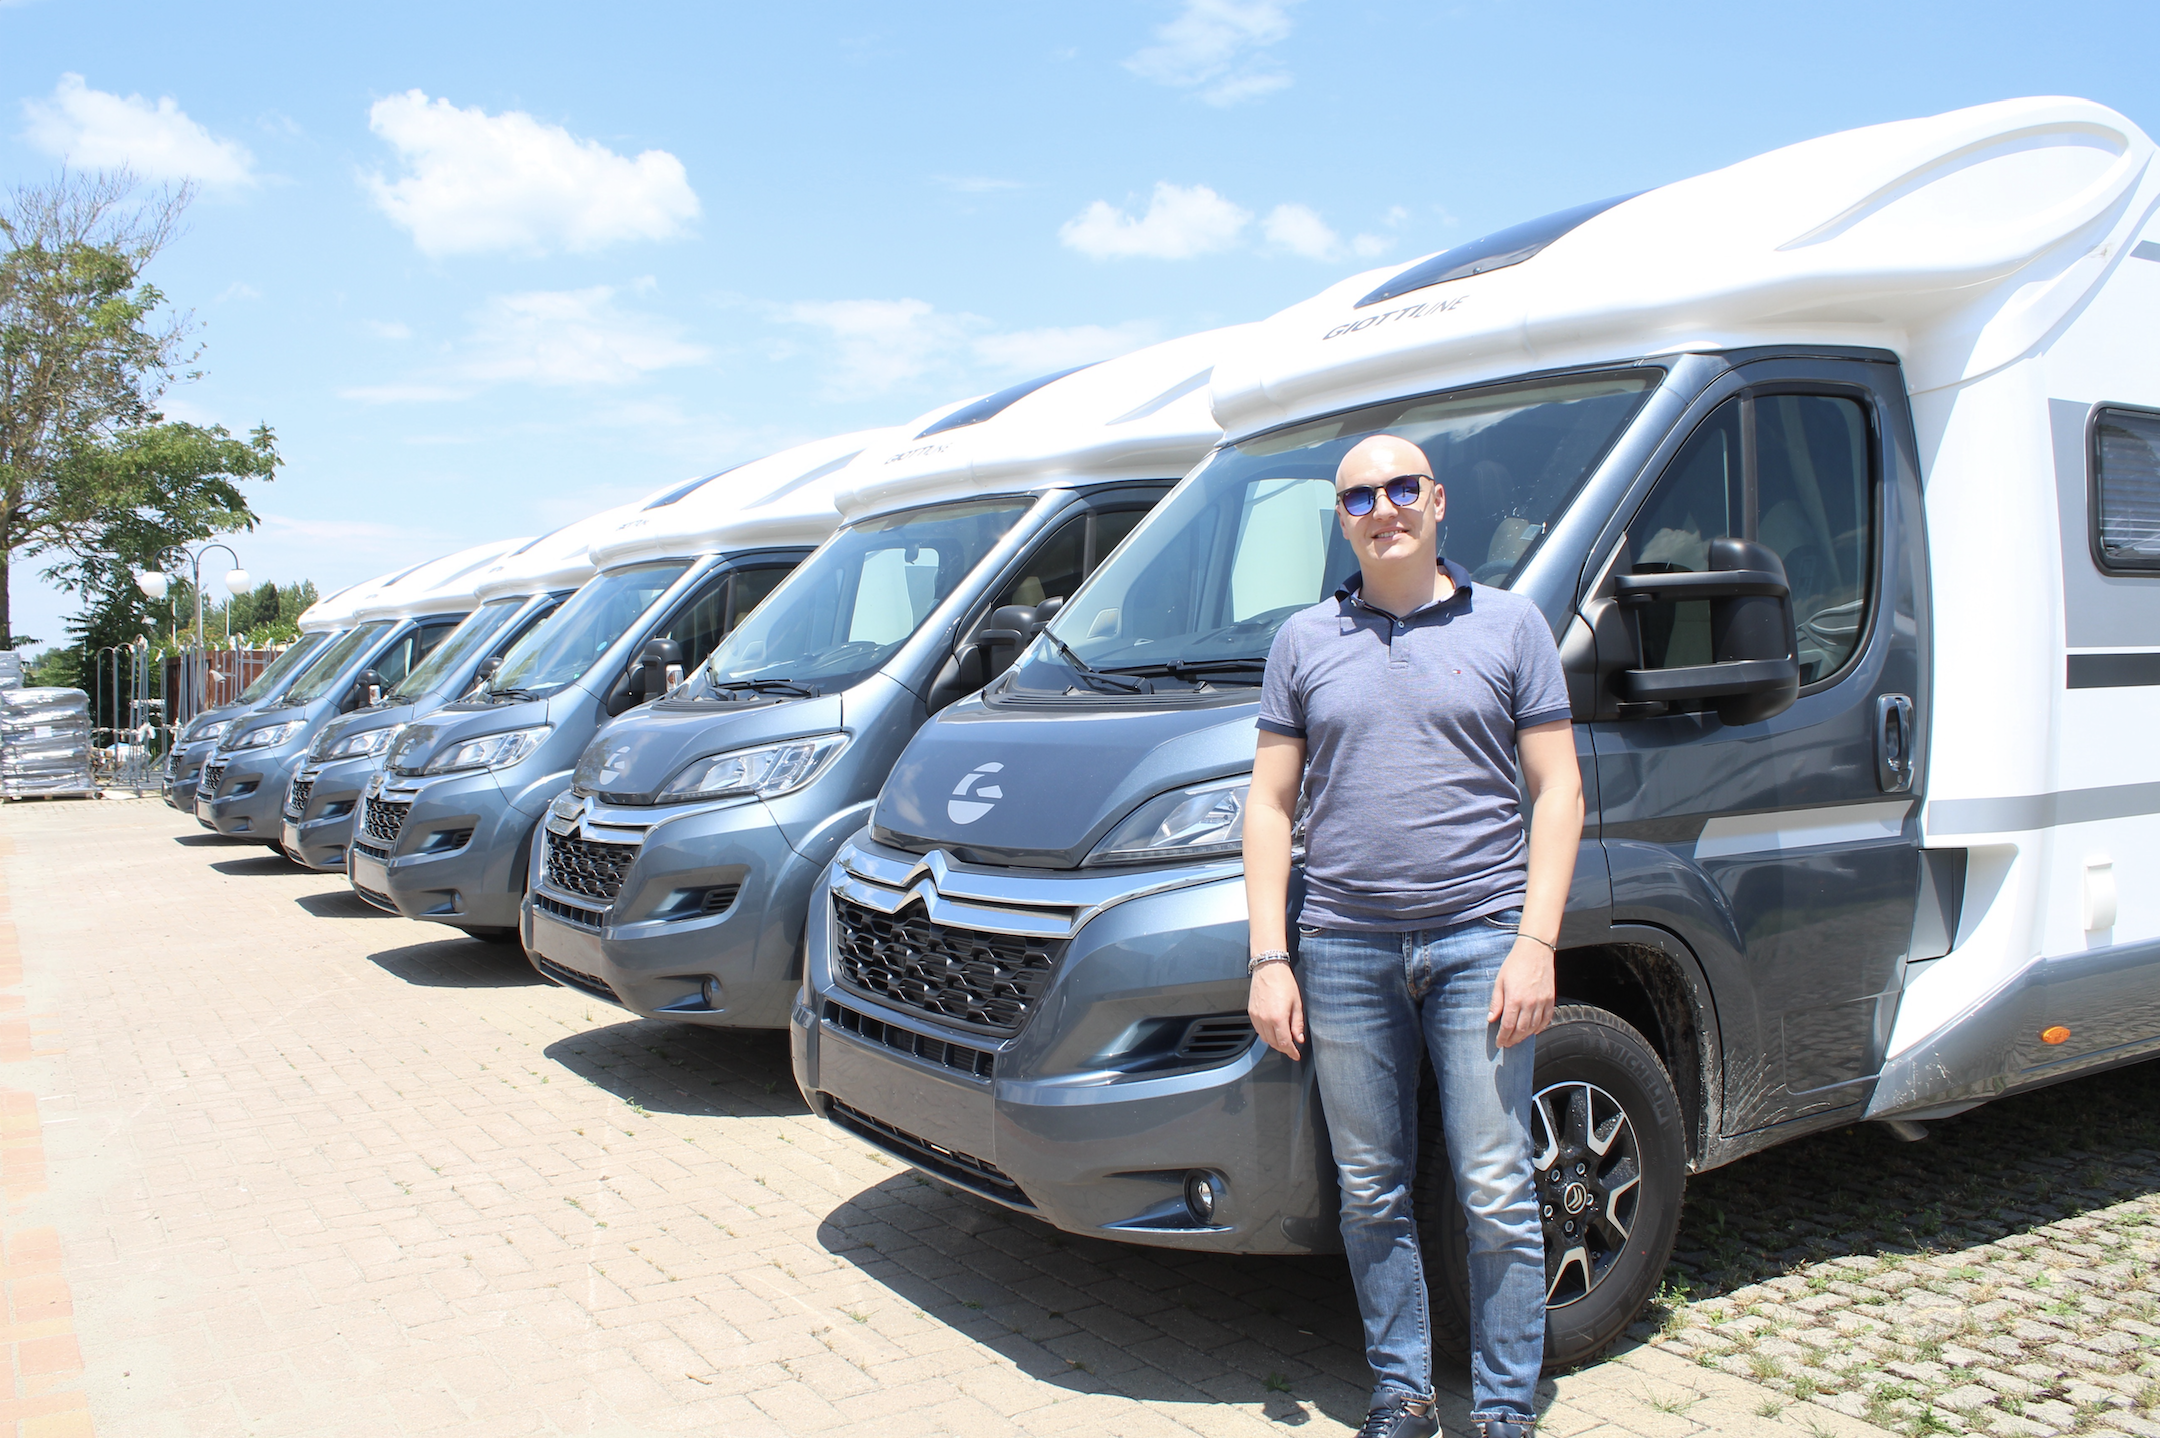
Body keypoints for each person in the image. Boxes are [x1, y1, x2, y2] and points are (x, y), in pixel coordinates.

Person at [1244, 434, 1584, 1438]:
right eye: (1359, 496)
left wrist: (1536, 942)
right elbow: (1269, 805)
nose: (1382, 508)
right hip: (1343, 945)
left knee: (1495, 1185)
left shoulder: (1512, 624)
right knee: (1370, 1190)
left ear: (1437, 501)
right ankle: (1403, 1392)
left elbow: (1558, 789)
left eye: (1401, 488)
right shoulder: (1303, 641)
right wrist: (1269, 958)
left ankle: (1506, 1407)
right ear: (1341, 518)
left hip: (1481, 939)